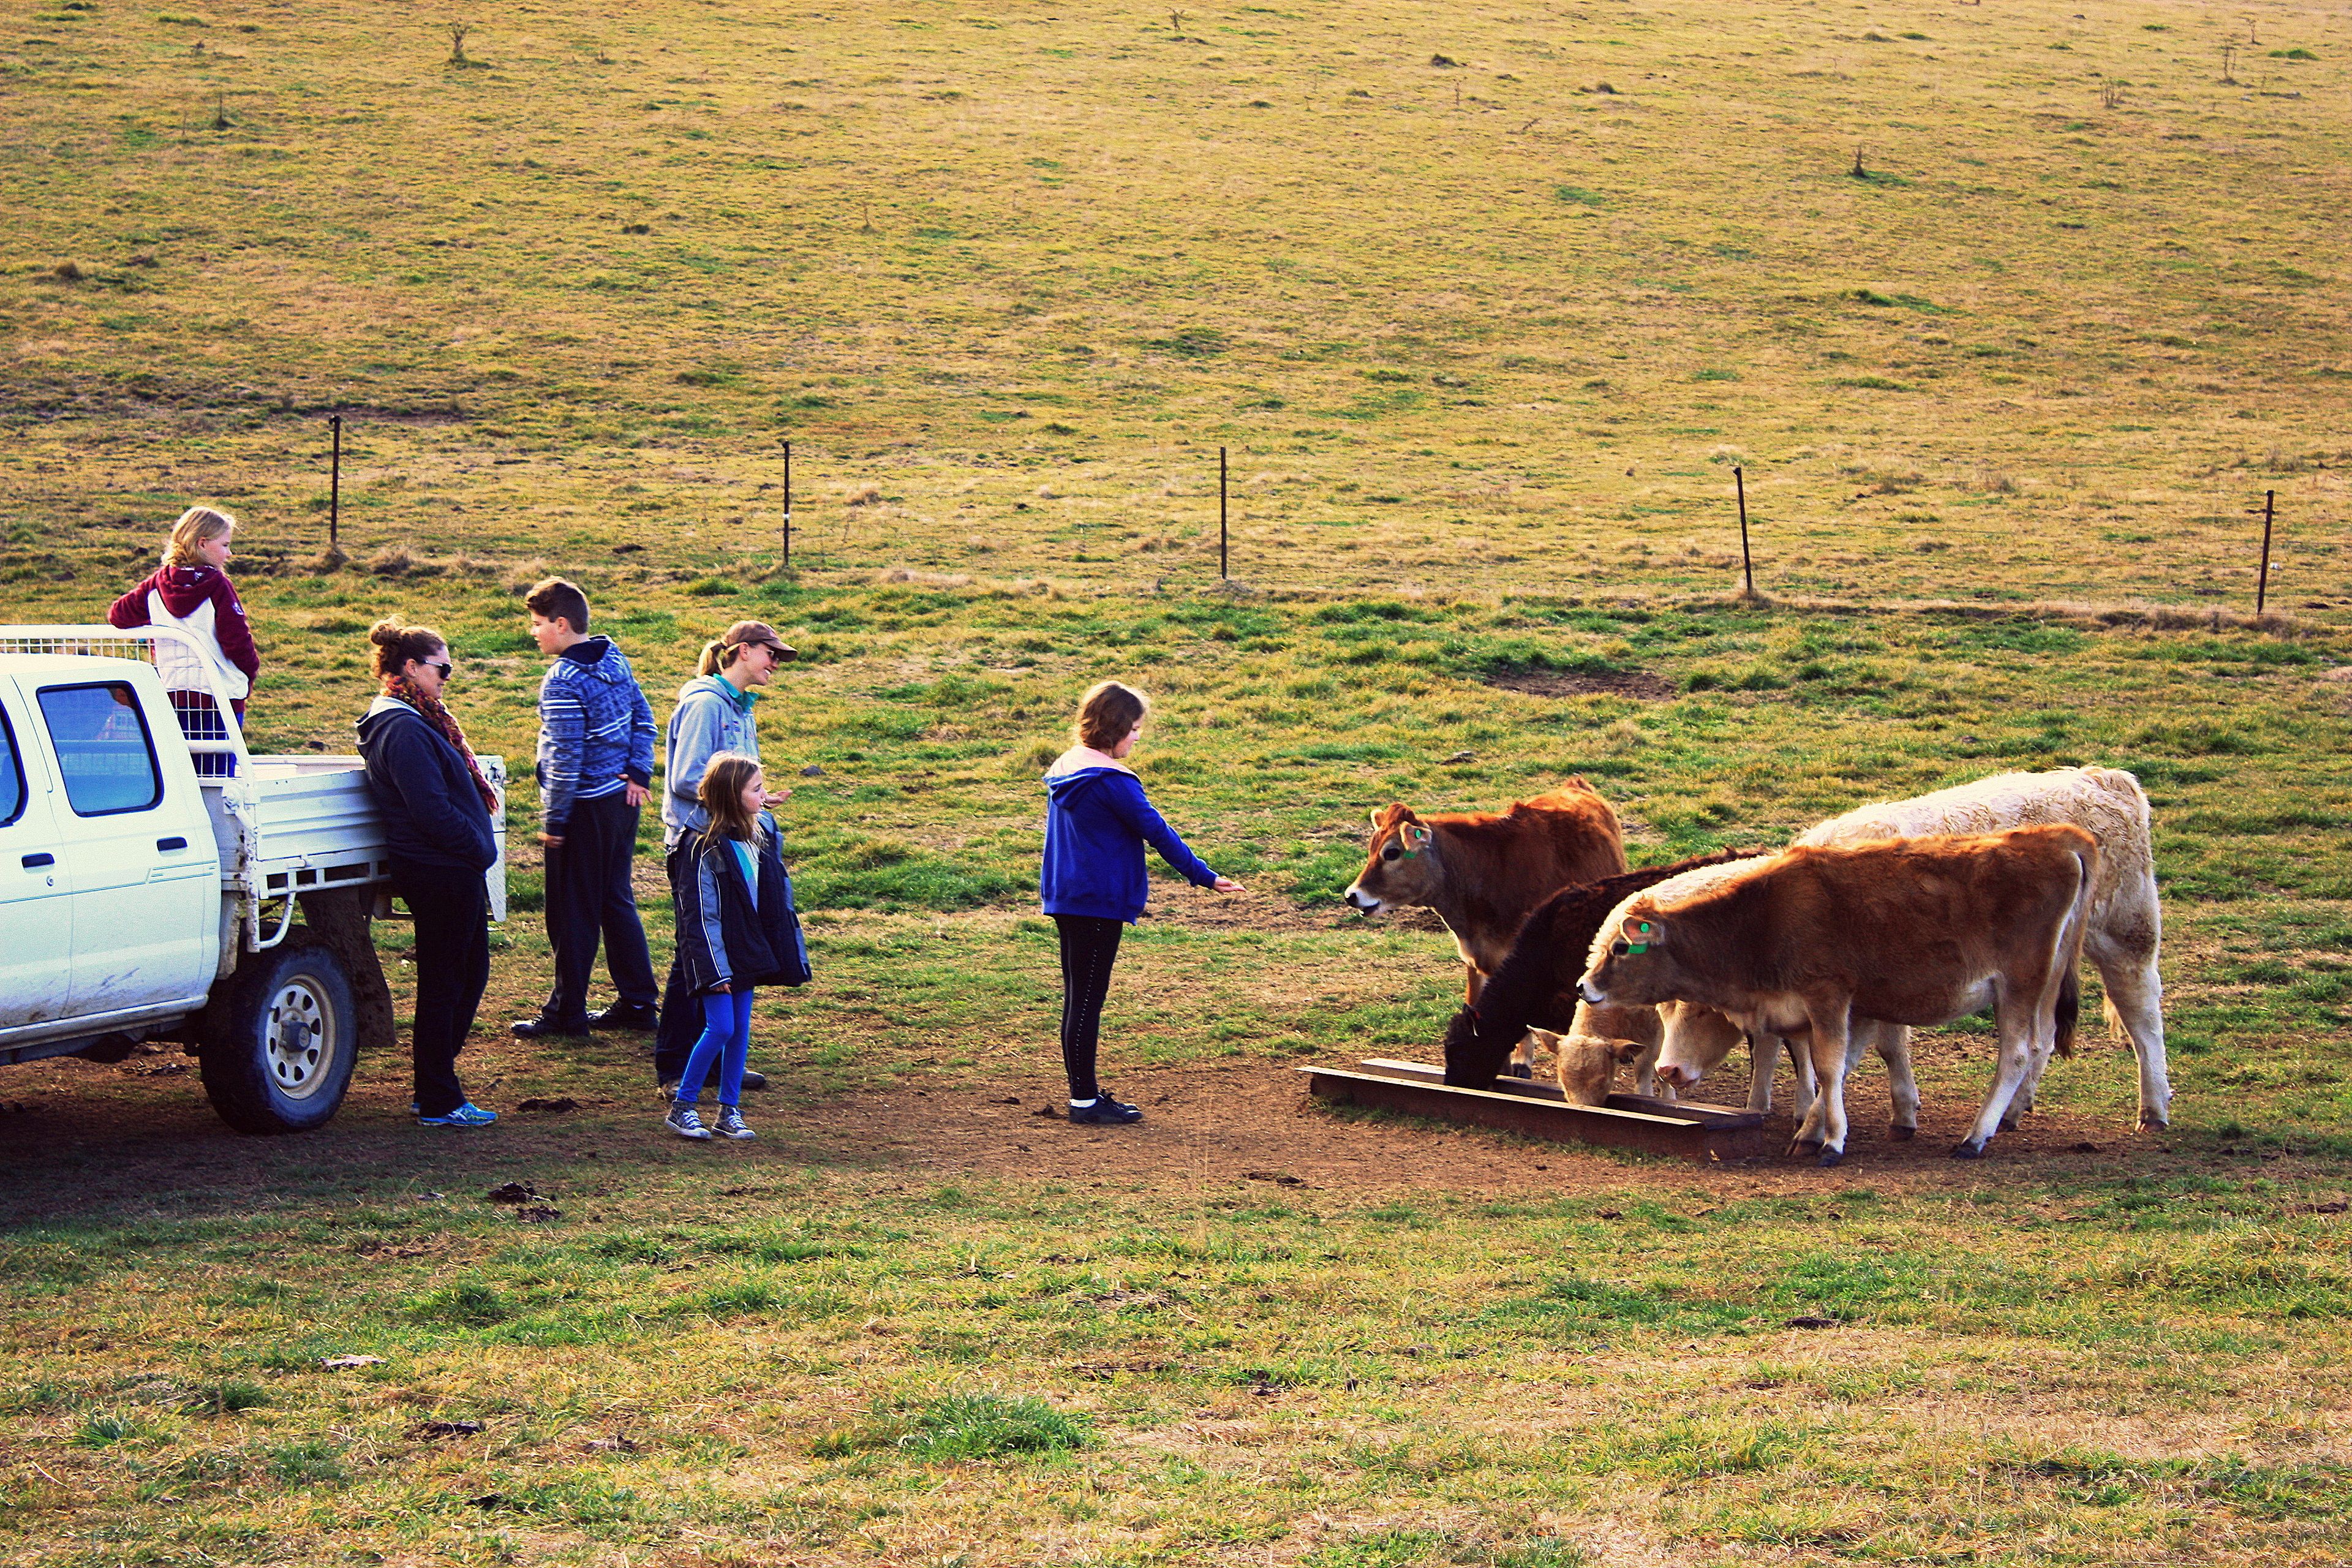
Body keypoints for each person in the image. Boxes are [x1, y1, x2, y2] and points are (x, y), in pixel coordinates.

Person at [1040, 680, 1241, 1125]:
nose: (1137, 737)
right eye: (1133, 728)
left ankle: (1084, 1097)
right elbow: (1158, 832)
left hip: (1067, 895)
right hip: (1099, 901)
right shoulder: (1113, 781)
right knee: (1088, 1001)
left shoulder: (1066, 768)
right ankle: (1086, 1103)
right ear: (1113, 728)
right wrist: (1204, 876)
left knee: (1078, 998)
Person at [355, 620, 502, 1129]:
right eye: (443, 668)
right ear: (411, 668)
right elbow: (430, 810)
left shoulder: (410, 720)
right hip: (441, 870)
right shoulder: (403, 727)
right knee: (446, 983)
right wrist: (476, 849)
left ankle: (435, 1086)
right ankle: (437, 1096)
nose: (447, 678)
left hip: (445, 868)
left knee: (465, 976)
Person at [511, 577, 661, 1040]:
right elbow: (645, 717)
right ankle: (638, 1003)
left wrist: (555, 820)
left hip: (582, 809)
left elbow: (565, 756)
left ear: (561, 624)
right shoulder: (614, 658)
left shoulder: (562, 680)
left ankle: (566, 1015)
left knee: (571, 911)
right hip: (622, 802)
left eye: (538, 624)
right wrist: (639, 772)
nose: (534, 633)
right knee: (615, 899)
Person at [654, 620, 795, 1098]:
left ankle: (708, 1062)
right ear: (741, 651)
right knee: (694, 954)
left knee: (725, 948)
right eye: (770, 653)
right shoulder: (706, 704)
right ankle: (674, 1068)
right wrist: (737, 799)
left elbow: (729, 779)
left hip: (727, 842)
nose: (776, 663)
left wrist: (758, 800)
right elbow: (686, 776)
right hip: (697, 844)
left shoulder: (740, 709)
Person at [665, 753, 810, 1141]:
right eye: (757, 789)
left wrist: (761, 804)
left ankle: (729, 1111)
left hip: (744, 950)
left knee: (740, 1030)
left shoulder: (754, 830)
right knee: (721, 1028)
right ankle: (684, 1106)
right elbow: (699, 917)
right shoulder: (700, 848)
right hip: (716, 958)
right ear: (732, 796)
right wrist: (714, 970)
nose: (765, 795)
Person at [107, 505, 260, 774]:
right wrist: (249, 672)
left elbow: (119, 615)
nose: (229, 553)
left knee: (182, 772)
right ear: (202, 543)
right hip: (218, 694)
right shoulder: (217, 584)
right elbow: (236, 639)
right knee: (219, 774)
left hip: (174, 692)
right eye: (225, 545)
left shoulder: (158, 583)